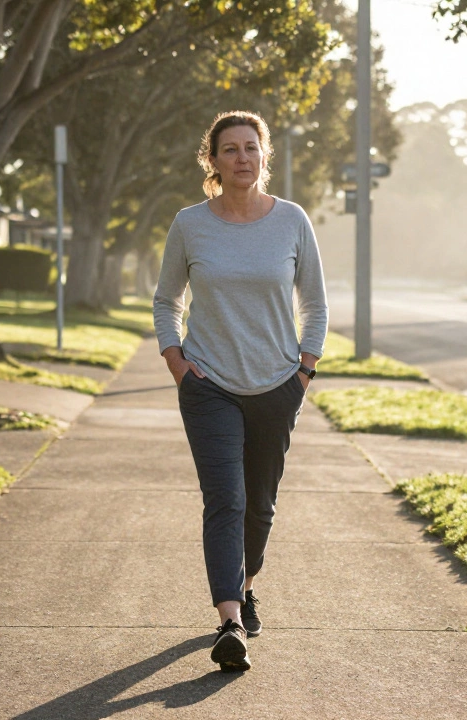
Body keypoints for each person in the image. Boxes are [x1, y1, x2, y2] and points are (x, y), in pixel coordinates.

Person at [152, 110, 328, 672]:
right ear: (213, 160)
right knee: (224, 500)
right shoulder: (190, 224)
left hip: (278, 384)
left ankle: (246, 586)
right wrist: (178, 362)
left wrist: (304, 371)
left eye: (251, 148)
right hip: (210, 387)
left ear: (263, 155)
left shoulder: (292, 221)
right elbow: (166, 301)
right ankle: (229, 621)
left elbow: (316, 305)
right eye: (230, 149)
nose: (242, 158)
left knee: (260, 504)